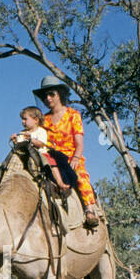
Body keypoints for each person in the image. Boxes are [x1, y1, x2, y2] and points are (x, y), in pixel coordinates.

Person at [34, 76, 99, 228]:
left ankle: (89, 210)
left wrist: (76, 157)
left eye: (51, 94)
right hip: (50, 157)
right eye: (45, 96)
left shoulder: (73, 115)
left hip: (70, 156)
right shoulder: (44, 119)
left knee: (81, 176)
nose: (48, 98)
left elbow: (79, 143)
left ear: (60, 94)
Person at [11, 106, 71, 192]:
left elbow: (41, 144)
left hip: (40, 153)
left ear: (36, 120)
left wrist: (31, 139)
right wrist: (15, 141)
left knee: (51, 163)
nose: (22, 122)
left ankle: (60, 182)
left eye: (25, 119)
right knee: (9, 161)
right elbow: (19, 145)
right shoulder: (22, 133)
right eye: (22, 119)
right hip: (24, 155)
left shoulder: (41, 131)